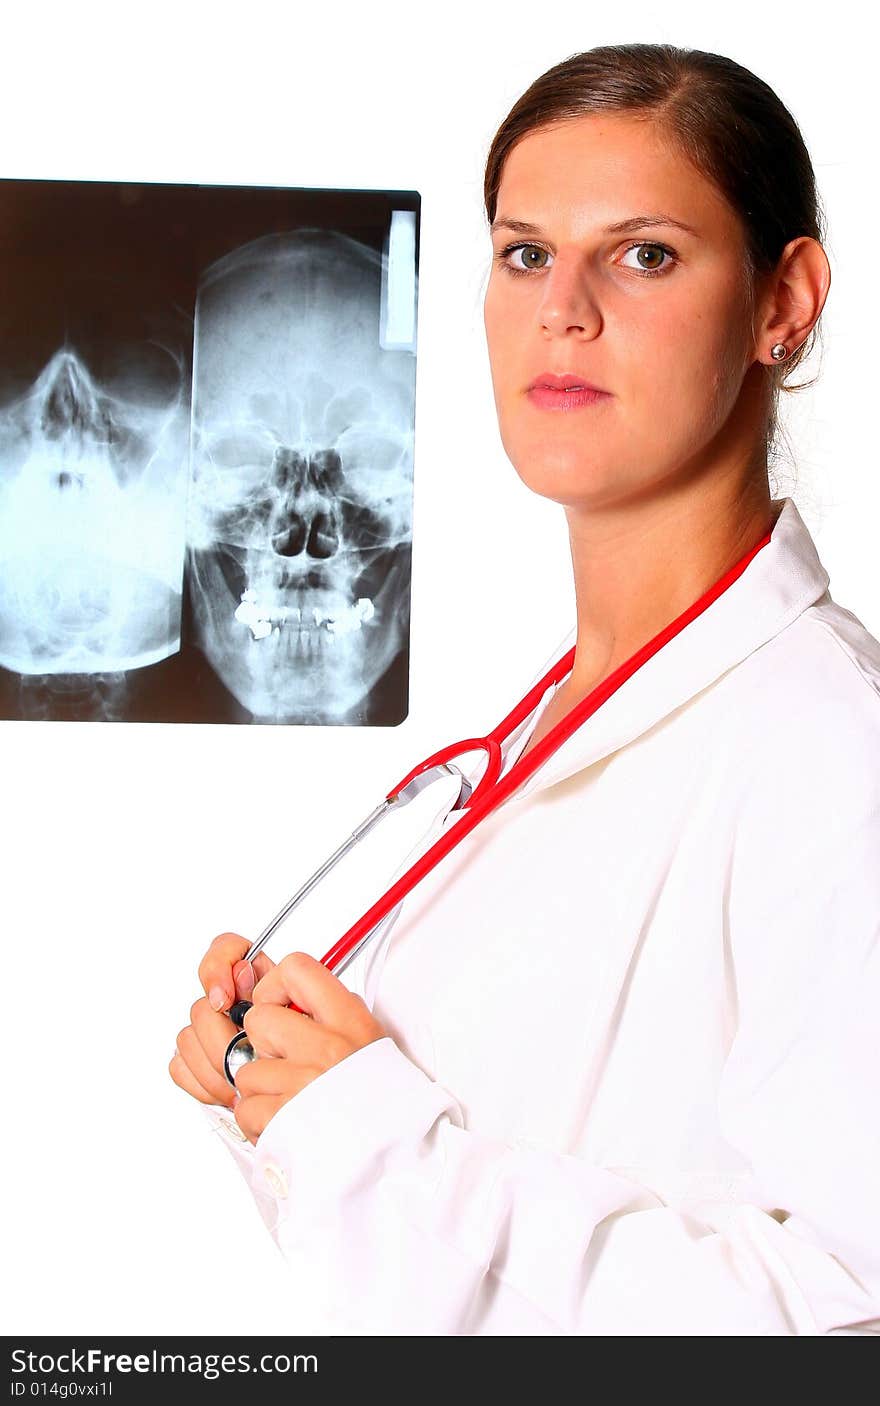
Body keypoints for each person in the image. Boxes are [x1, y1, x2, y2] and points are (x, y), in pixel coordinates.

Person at [169, 43, 880, 1335]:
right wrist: (278, 1091)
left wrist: (367, 1133)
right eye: (525, 252)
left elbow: (845, 1315)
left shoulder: (834, 752)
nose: (565, 308)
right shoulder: (539, 745)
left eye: (645, 253)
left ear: (786, 300)